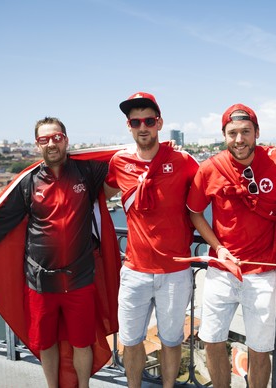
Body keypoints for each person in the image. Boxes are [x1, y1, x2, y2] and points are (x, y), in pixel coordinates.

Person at [0, 117, 112, 388]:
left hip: (79, 279)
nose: (51, 144)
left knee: (82, 342)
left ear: (66, 140)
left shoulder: (87, 172)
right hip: (40, 281)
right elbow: (0, 218)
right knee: (46, 344)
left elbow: (124, 164)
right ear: (37, 145)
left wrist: (160, 149)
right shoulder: (28, 181)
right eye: (44, 140)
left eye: (56, 137)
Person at [186, 103, 276, 388]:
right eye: (232, 133)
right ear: (224, 135)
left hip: (263, 271)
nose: (239, 140)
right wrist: (217, 246)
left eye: (246, 132)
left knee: (260, 349)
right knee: (211, 340)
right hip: (222, 269)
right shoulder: (210, 168)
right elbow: (194, 211)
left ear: (257, 132)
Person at [104, 92, 199, 388]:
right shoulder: (119, 162)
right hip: (135, 271)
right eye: (135, 121)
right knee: (130, 341)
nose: (142, 126)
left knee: (171, 341)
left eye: (148, 120)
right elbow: (99, 199)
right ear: (129, 126)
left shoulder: (183, 161)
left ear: (159, 123)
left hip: (176, 272)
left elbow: (207, 197)